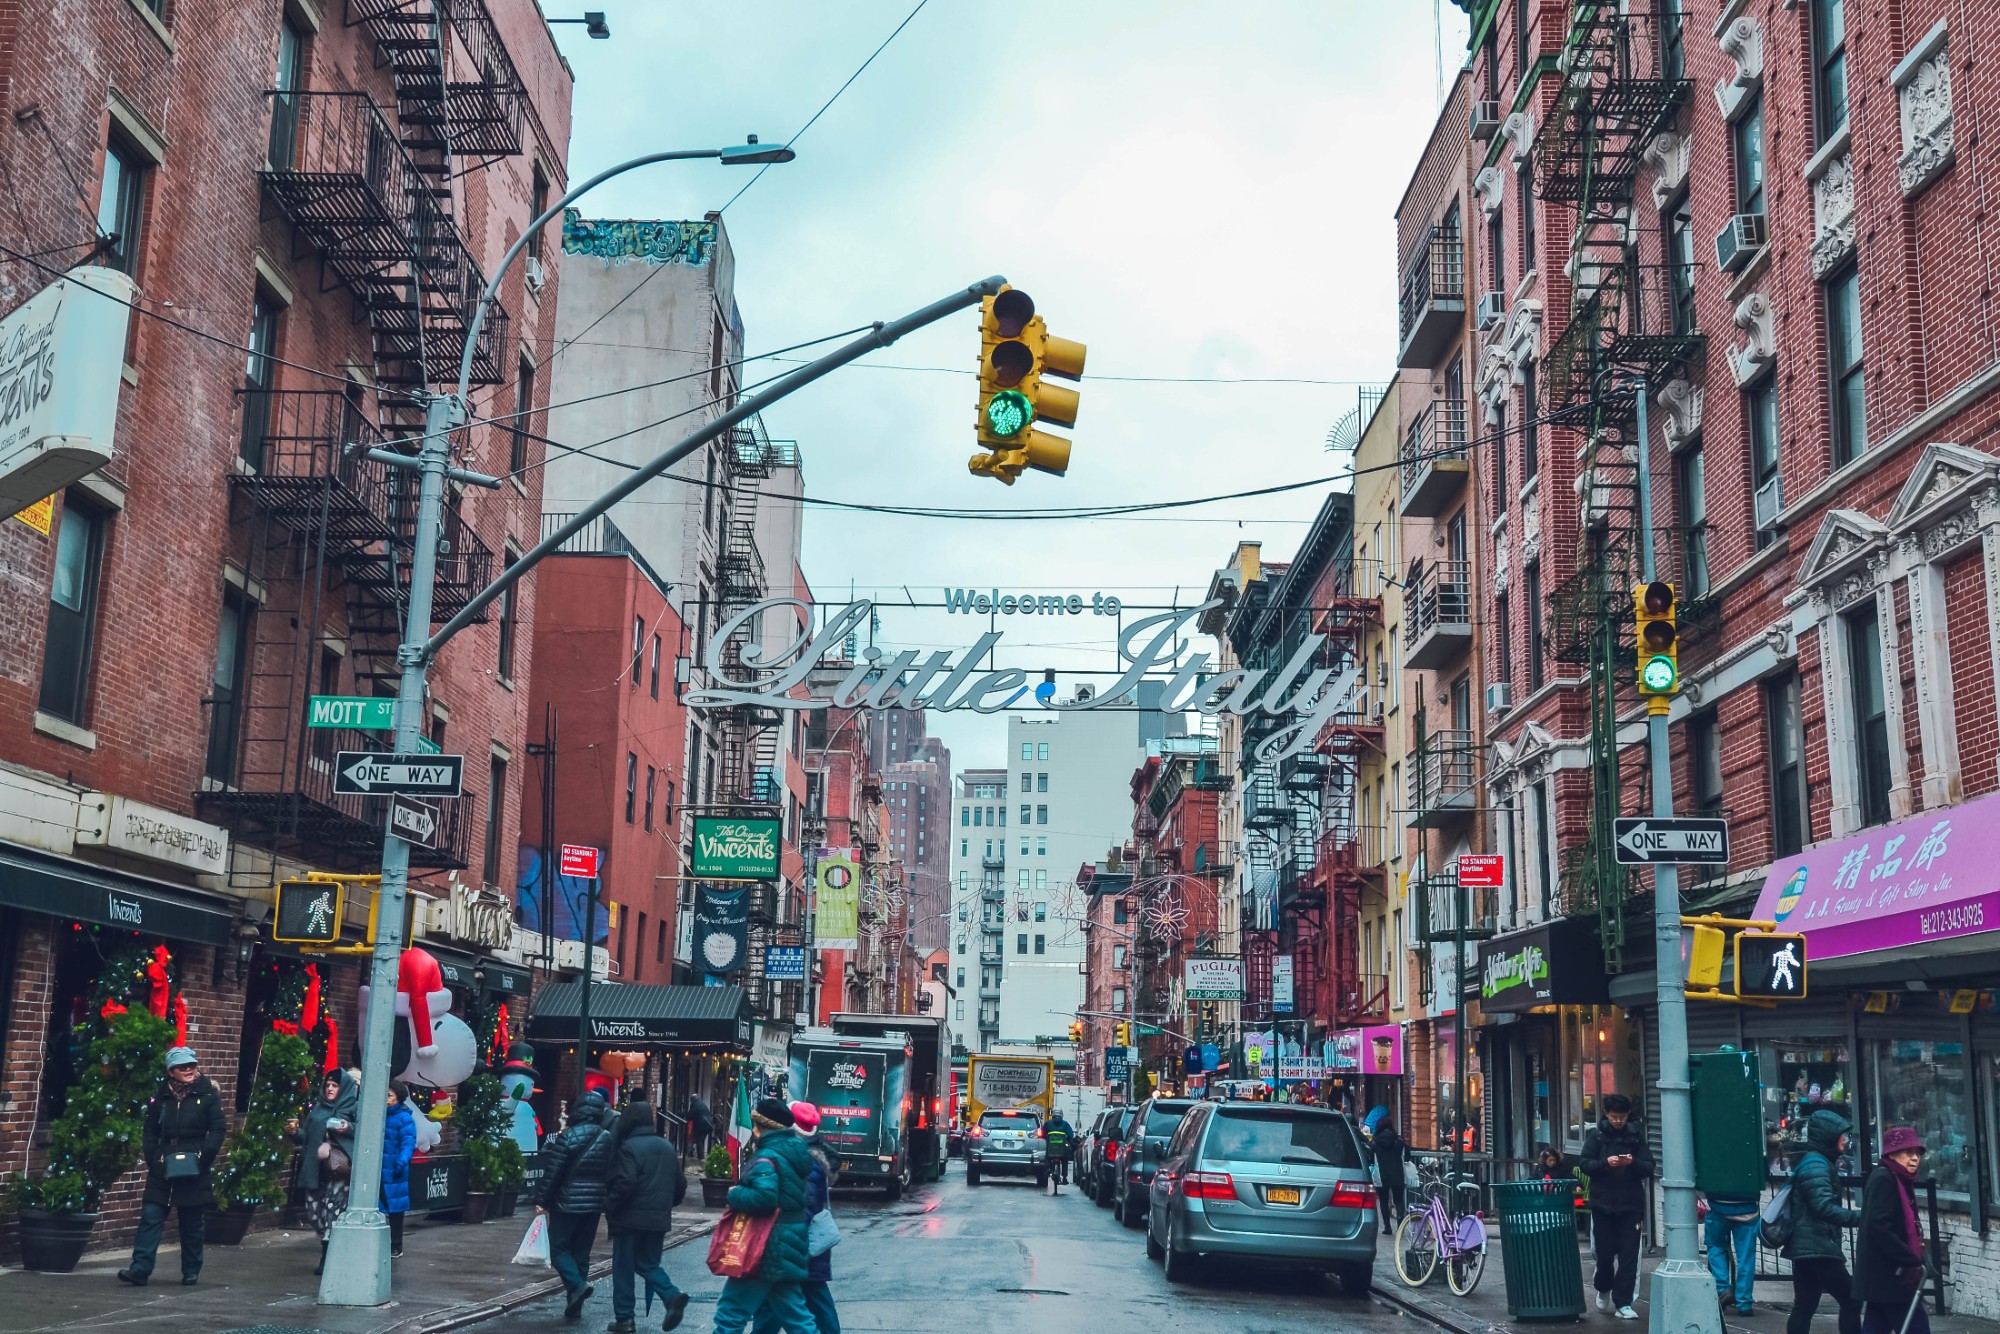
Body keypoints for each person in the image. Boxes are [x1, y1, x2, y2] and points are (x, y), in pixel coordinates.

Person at [118, 1046, 227, 1286]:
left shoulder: (208, 1095)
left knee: (192, 1222)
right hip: (163, 1165)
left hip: (193, 1166)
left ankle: (191, 1270)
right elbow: (150, 1131)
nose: (189, 1070)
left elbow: (218, 1130)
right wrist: (153, 1158)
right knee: (151, 1217)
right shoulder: (162, 1097)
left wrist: (203, 1158)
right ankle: (140, 1269)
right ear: (171, 1071)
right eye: (182, 1067)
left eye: (192, 1065)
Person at [715, 1098, 820, 1334]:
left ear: (765, 1127)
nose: (753, 1130)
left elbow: (765, 1198)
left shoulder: (769, 1156)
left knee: (730, 1312)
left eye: (756, 1125)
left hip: (763, 1246)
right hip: (788, 1242)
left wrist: (735, 1194)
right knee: (798, 1318)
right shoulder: (793, 1153)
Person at [604, 1099, 690, 1334]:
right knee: (648, 1264)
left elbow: (626, 1182)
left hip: (629, 1219)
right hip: (657, 1219)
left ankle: (625, 1319)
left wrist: (610, 1204)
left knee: (623, 1268)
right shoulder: (667, 1147)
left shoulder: (628, 1147)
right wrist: (664, 1205)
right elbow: (680, 1185)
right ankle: (671, 1295)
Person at [753, 1102, 841, 1334]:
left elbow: (805, 1208)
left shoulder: (805, 1162)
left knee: (781, 1308)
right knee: (810, 1305)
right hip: (800, 1250)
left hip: (796, 1248)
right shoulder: (807, 1156)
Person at [537, 1088, 616, 1320]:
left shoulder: (567, 1137)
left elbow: (554, 1173)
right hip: (593, 1205)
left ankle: (576, 1286)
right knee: (581, 1254)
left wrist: (542, 1201)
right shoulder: (607, 1138)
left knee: (557, 1248)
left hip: (566, 1203)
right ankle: (575, 1304)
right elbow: (611, 1172)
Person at [1580, 1092, 1654, 1319]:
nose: (1618, 1121)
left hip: (1630, 1205)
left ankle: (1624, 1303)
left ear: (1627, 1115)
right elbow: (1585, 1164)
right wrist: (1605, 1163)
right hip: (1603, 1204)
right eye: (1614, 1116)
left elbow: (1649, 1166)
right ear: (1606, 1114)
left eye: (1621, 1116)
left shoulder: (1636, 1136)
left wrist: (1632, 1164)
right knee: (1603, 1255)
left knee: (1629, 1256)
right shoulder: (1597, 1136)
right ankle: (1603, 1287)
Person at [1788, 1110, 1863, 1334]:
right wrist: (1860, 1218)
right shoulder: (1816, 1165)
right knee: (1851, 1300)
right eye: (1841, 1135)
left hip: (1807, 1247)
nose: (1845, 1139)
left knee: (1804, 1306)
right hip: (1817, 1247)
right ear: (1828, 1136)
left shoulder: (1816, 1162)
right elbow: (1822, 1207)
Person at [1857, 1127, 1929, 1334]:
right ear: (1893, 1154)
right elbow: (1878, 1226)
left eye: (1918, 1153)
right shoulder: (1885, 1178)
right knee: (1917, 1326)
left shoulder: (1899, 1179)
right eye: (1908, 1153)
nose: (1915, 1158)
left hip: (1886, 1279)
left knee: (1876, 1325)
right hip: (1890, 1276)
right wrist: (1908, 1257)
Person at [290, 1068, 359, 1277]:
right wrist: (294, 1132)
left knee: (333, 1212)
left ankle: (327, 1257)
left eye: (335, 1085)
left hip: (338, 1169)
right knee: (314, 1213)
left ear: (343, 1087)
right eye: (328, 1085)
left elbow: (363, 1130)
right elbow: (307, 1137)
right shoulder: (318, 1109)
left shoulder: (353, 1107)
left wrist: (346, 1127)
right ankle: (328, 1242)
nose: (330, 1089)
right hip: (316, 1168)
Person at [1704, 1182, 1763, 1314]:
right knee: (1746, 1256)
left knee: (1715, 1247)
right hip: (1748, 1205)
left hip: (1718, 1202)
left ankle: (1723, 1289)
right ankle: (1744, 1302)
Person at [381, 1080, 417, 1261]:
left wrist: (401, 1162)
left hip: (394, 1169)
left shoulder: (404, 1118)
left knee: (395, 1210)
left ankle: (396, 1244)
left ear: (398, 1098)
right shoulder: (380, 1115)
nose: (386, 1099)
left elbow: (408, 1143)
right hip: (381, 1169)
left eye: (390, 1096)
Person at [1372, 1120, 1409, 1236]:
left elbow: (1369, 1157)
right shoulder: (1399, 1141)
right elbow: (1407, 1157)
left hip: (1381, 1174)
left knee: (1383, 1200)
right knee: (1399, 1200)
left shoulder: (1375, 1142)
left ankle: (1387, 1227)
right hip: (1398, 1173)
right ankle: (1400, 1225)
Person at [1041, 1108, 1073, 1183]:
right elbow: (1070, 1135)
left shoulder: (1048, 1123)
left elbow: (1042, 1133)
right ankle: (1064, 1177)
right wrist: (1071, 1141)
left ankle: (1048, 1169)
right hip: (1062, 1150)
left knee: (1047, 1156)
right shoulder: (1065, 1124)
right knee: (1065, 1160)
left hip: (1050, 1149)